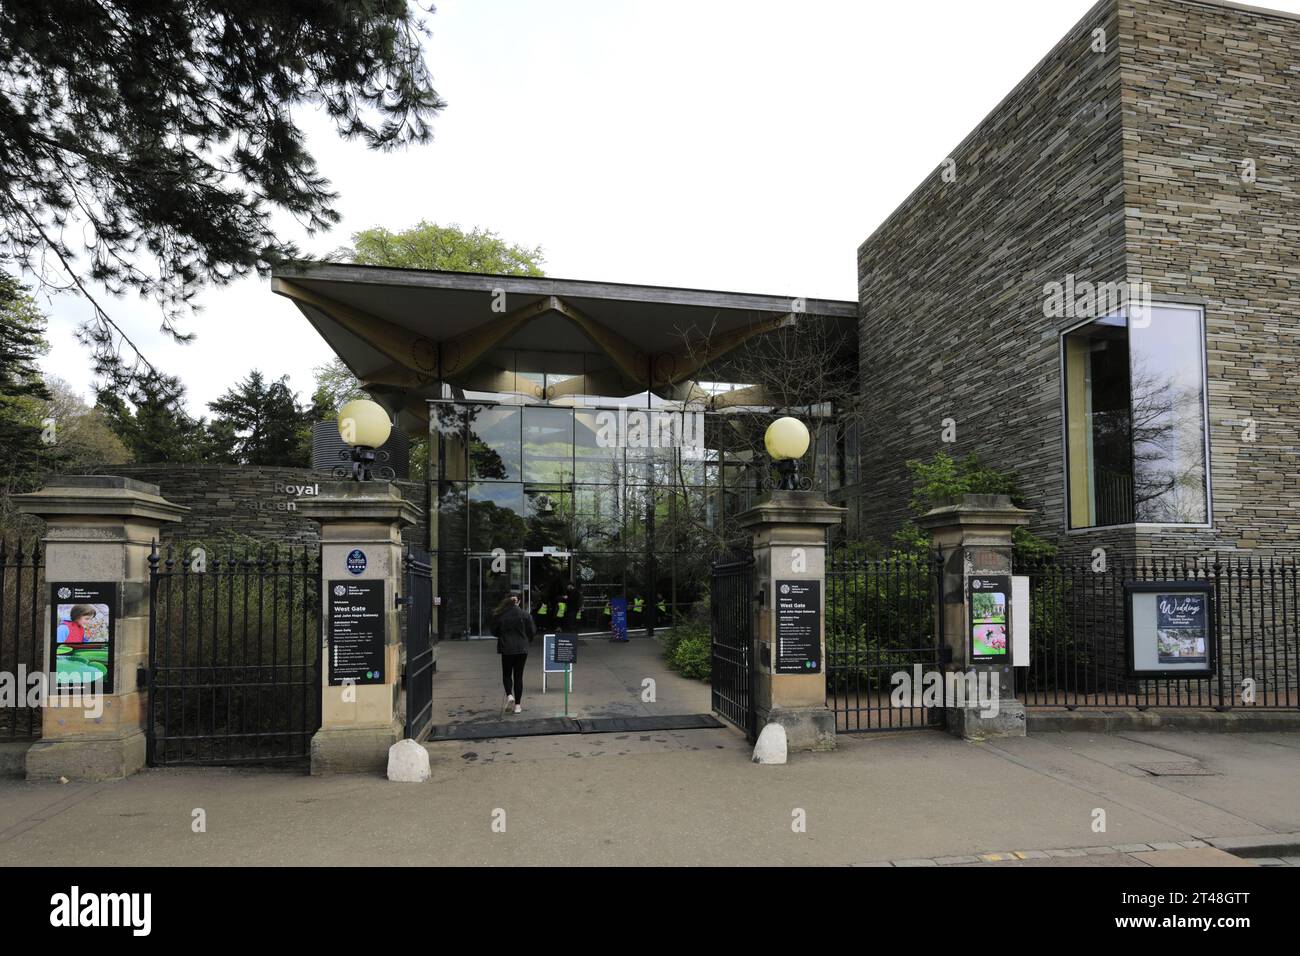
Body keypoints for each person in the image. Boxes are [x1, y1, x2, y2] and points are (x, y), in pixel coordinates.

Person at [490, 592, 535, 714]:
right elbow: (531, 631)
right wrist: (526, 641)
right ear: (519, 602)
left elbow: (494, 631)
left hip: (507, 648)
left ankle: (509, 695)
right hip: (522, 648)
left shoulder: (501, 615)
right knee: (518, 676)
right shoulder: (525, 615)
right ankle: (518, 705)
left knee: (507, 674)